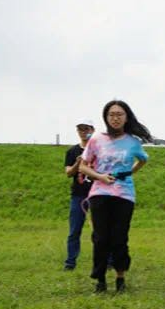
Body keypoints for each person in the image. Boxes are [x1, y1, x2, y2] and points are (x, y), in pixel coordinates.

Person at [79, 100, 151, 293]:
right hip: (99, 193)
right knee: (100, 237)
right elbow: (83, 166)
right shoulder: (96, 139)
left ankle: (120, 278)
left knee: (119, 238)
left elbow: (143, 160)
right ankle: (100, 280)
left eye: (120, 114)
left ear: (126, 117)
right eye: (111, 114)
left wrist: (129, 173)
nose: (115, 118)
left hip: (124, 195)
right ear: (106, 117)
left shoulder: (133, 142)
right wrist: (100, 176)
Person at [62, 120, 95, 270]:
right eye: (80, 129)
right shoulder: (72, 151)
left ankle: (108, 261)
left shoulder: (99, 150)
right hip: (78, 195)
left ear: (92, 130)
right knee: (74, 230)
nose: (83, 132)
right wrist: (78, 164)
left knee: (101, 230)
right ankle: (70, 262)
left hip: (97, 194)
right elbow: (68, 173)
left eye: (86, 129)